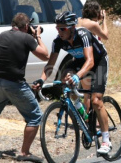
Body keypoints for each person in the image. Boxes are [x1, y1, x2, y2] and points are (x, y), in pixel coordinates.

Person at [32, 11, 111, 154]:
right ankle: (80, 109)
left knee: (96, 100)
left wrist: (78, 77)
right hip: (80, 62)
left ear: (72, 27)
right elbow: (50, 65)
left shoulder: (83, 35)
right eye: (57, 28)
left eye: (63, 29)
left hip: (98, 61)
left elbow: (91, 61)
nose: (59, 31)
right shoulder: (58, 41)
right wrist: (41, 80)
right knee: (64, 78)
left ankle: (106, 140)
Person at [0, 13, 49, 162]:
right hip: (14, 83)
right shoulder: (27, 38)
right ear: (27, 26)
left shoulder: (2, 35)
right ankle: (24, 153)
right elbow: (45, 55)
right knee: (35, 116)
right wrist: (37, 36)